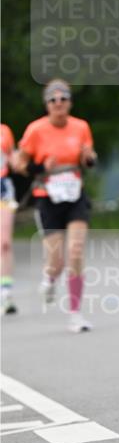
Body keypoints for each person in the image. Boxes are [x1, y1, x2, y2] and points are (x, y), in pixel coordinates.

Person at [14, 80, 97, 332]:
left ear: (70, 102)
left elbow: (90, 158)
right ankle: (50, 278)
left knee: (76, 251)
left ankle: (75, 313)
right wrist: (40, 168)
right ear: (47, 104)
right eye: (53, 99)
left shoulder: (80, 127)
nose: (58, 103)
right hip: (47, 197)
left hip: (74, 195)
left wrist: (88, 158)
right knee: (56, 261)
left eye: (63, 99)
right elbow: (19, 164)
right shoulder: (36, 130)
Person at [1, 123, 18, 314]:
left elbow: (13, 159)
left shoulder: (4, 130)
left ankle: (5, 293)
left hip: (3, 188)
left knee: (4, 243)